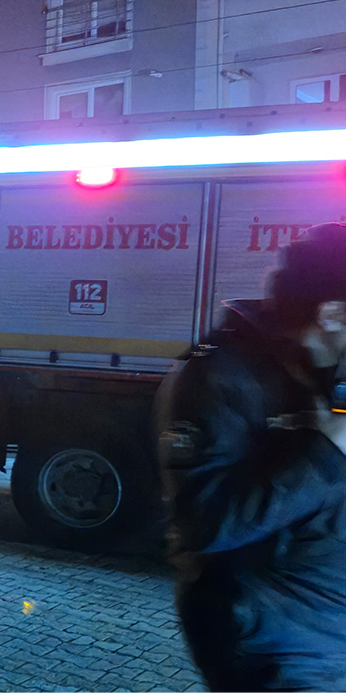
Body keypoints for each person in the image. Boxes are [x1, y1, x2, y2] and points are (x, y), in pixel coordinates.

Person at [158, 222, 346, 691]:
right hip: (278, 648)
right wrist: (327, 450)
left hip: (324, 634)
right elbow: (207, 522)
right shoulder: (221, 376)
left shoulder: (318, 369)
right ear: (332, 314)